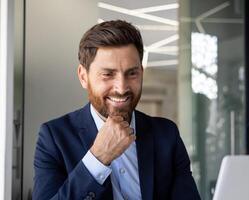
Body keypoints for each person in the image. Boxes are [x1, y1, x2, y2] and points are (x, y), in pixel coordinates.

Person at [33, 20, 201, 200]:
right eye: (108, 74)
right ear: (83, 77)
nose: (121, 88)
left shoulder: (166, 134)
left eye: (132, 73)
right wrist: (97, 158)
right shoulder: (54, 138)